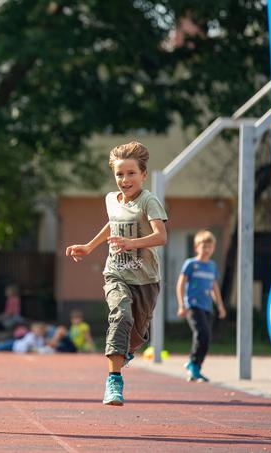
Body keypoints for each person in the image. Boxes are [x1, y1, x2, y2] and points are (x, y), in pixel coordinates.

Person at [65, 141, 167, 406]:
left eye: (131, 173)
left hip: (146, 280)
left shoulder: (149, 200)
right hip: (116, 273)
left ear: (143, 174)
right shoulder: (111, 199)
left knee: (136, 336)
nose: (125, 179)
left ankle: (126, 351)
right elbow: (112, 224)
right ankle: (114, 382)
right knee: (120, 315)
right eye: (119, 174)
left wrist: (132, 243)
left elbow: (161, 236)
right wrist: (88, 247)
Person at [176, 230, 227, 382]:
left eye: (210, 247)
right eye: (204, 246)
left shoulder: (212, 266)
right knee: (201, 334)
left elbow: (214, 287)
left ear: (213, 248)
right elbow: (181, 284)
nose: (207, 250)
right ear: (196, 247)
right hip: (193, 306)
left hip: (207, 308)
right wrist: (181, 305)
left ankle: (195, 368)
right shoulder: (191, 264)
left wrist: (220, 306)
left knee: (206, 337)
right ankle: (193, 362)